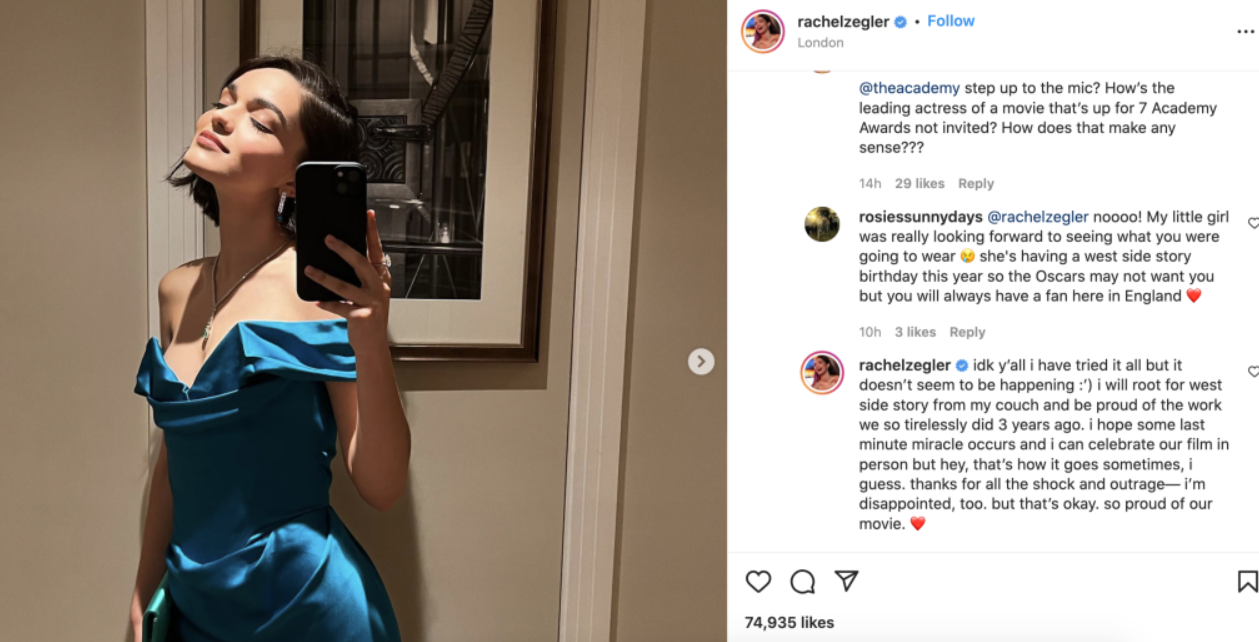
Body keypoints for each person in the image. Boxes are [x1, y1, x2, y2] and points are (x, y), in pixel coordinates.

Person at [129, 54, 409, 642]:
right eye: (224, 100)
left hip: (306, 606)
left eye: (261, 121)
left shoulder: (324, 293)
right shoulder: (176, 289)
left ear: (294, 178)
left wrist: (371, 340)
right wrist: (143, 586)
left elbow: (381, 487)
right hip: (193, 603)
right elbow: (177, 459)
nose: (222, 117)